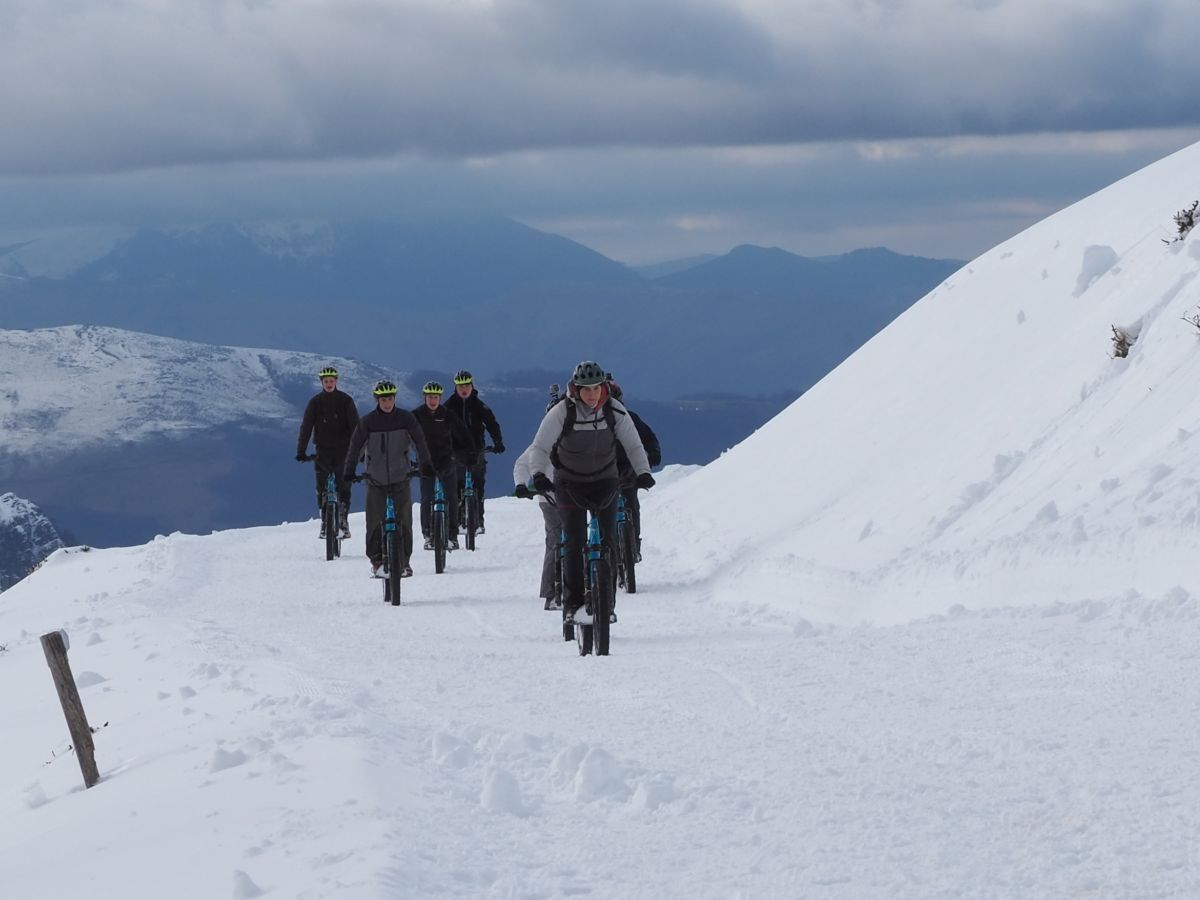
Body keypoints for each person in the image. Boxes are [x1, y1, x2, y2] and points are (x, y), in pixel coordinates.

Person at [527, 360, 653, 624]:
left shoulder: (614, 410)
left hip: (606, 481)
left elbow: (633, 444)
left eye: (596, 389)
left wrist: (643, 473)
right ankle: (573, 606)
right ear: (576, 389)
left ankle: (607, 605)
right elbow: (539, 447)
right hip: (568, 483)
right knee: (573, 543)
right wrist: (539, 474)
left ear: (603, 387)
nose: (592, 395)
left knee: (609, 544)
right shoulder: (562, 412)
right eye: (586, 390)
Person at [343, 380, 434, 579]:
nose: (387, 403)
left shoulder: (406, 419)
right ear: (378, 399)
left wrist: (425, 463)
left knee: (404, 521)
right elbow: (355, 447)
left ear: (394, 398)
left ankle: (405, 562)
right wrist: (349, 471)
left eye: (390, 399)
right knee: (374, 522)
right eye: (383, 399)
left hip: (401, 477)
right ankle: (377, 562)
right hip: (374, 479)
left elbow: (419, 442)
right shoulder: (367, 422)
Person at [295, 365, 360, 539]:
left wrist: (359, 451)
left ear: (336, 381)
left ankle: (343, 522)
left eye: (332, 381)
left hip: (343, 450)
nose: (329, 384)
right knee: (321, 487)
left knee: (344, 485)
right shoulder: (315, 403)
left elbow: (356, 428)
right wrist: (301, 450)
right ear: (321, 382)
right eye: (326, 381)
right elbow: (306, 427)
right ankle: (325, 522)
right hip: (322, 450)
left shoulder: (346, 401)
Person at [411, 381, 474, 551]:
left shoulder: (447, 414)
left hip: (446, 460)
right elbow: (405, 437)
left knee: (451, 497)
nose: (433, 401)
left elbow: (462, 433)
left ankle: (452, 535)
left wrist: (471, 453)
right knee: (426, 498)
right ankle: (428, 534)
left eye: (436, 397)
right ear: (425, 397)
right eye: (430, 397)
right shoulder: (416, 415)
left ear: (440, 398)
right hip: (425, 463)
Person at [444, 369, 505, 533]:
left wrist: (498, 442)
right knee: (455, 486)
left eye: (467, 385)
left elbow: (491, 423)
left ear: (472, 386)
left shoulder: (479, 406)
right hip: (455, 451)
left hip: (477, 449)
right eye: (460, 386)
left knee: (478, 485)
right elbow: (440, 428)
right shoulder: (449, 406)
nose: (464, 389)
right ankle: (455, 521)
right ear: (455, 387)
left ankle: (479, 520)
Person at [608, 379, 661, 561]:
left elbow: (649, 437)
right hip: (604, 473)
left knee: (631, 506)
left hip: (627, 473)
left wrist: (653, 452)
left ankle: (634, 547)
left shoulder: (630, 418)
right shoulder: (595, 422)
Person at [514, 438, 563, 610]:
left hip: (574, 498)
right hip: (549, 499)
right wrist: (521, 485)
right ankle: (550, 594)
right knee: (555, 541)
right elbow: (522, 464)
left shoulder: (578, 435)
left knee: (578, 541)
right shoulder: (542, 442)